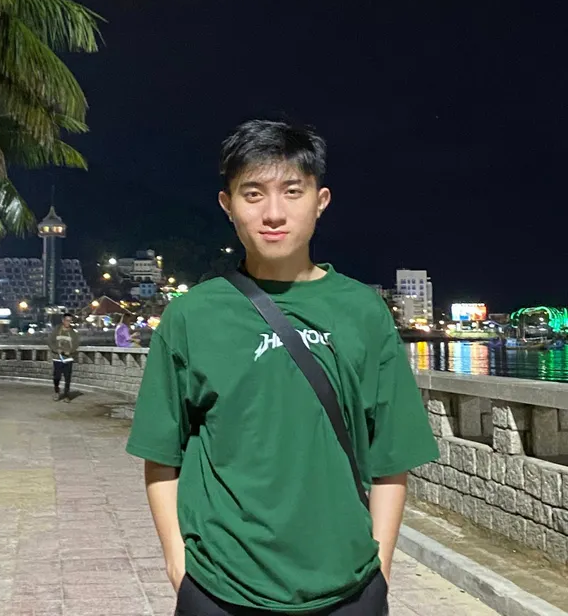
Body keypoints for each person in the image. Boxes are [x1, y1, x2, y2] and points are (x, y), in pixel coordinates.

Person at [126, 120, 439, 616]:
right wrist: (177, 563)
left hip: (349, 585)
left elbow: (390, 457)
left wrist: (380, 565)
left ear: (321, 200)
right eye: (253, 193)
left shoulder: (362, 310)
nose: (273, 213)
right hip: (219, 585)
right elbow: (161, 454)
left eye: (292, 191)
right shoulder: (192, 315)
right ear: (228, 205)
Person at [47, 313, 79, 403]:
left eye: (70, 320)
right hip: (57, 358)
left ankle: (66, 395)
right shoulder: (56, 330)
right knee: (56, 377)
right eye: (67, 320)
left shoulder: (73, 332)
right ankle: (57, 392)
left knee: (67, 378)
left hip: (68, 359)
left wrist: (71, 351)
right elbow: (50, 342)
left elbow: (76, 344)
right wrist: (56, 349)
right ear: (63, 320)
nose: (68, 322)